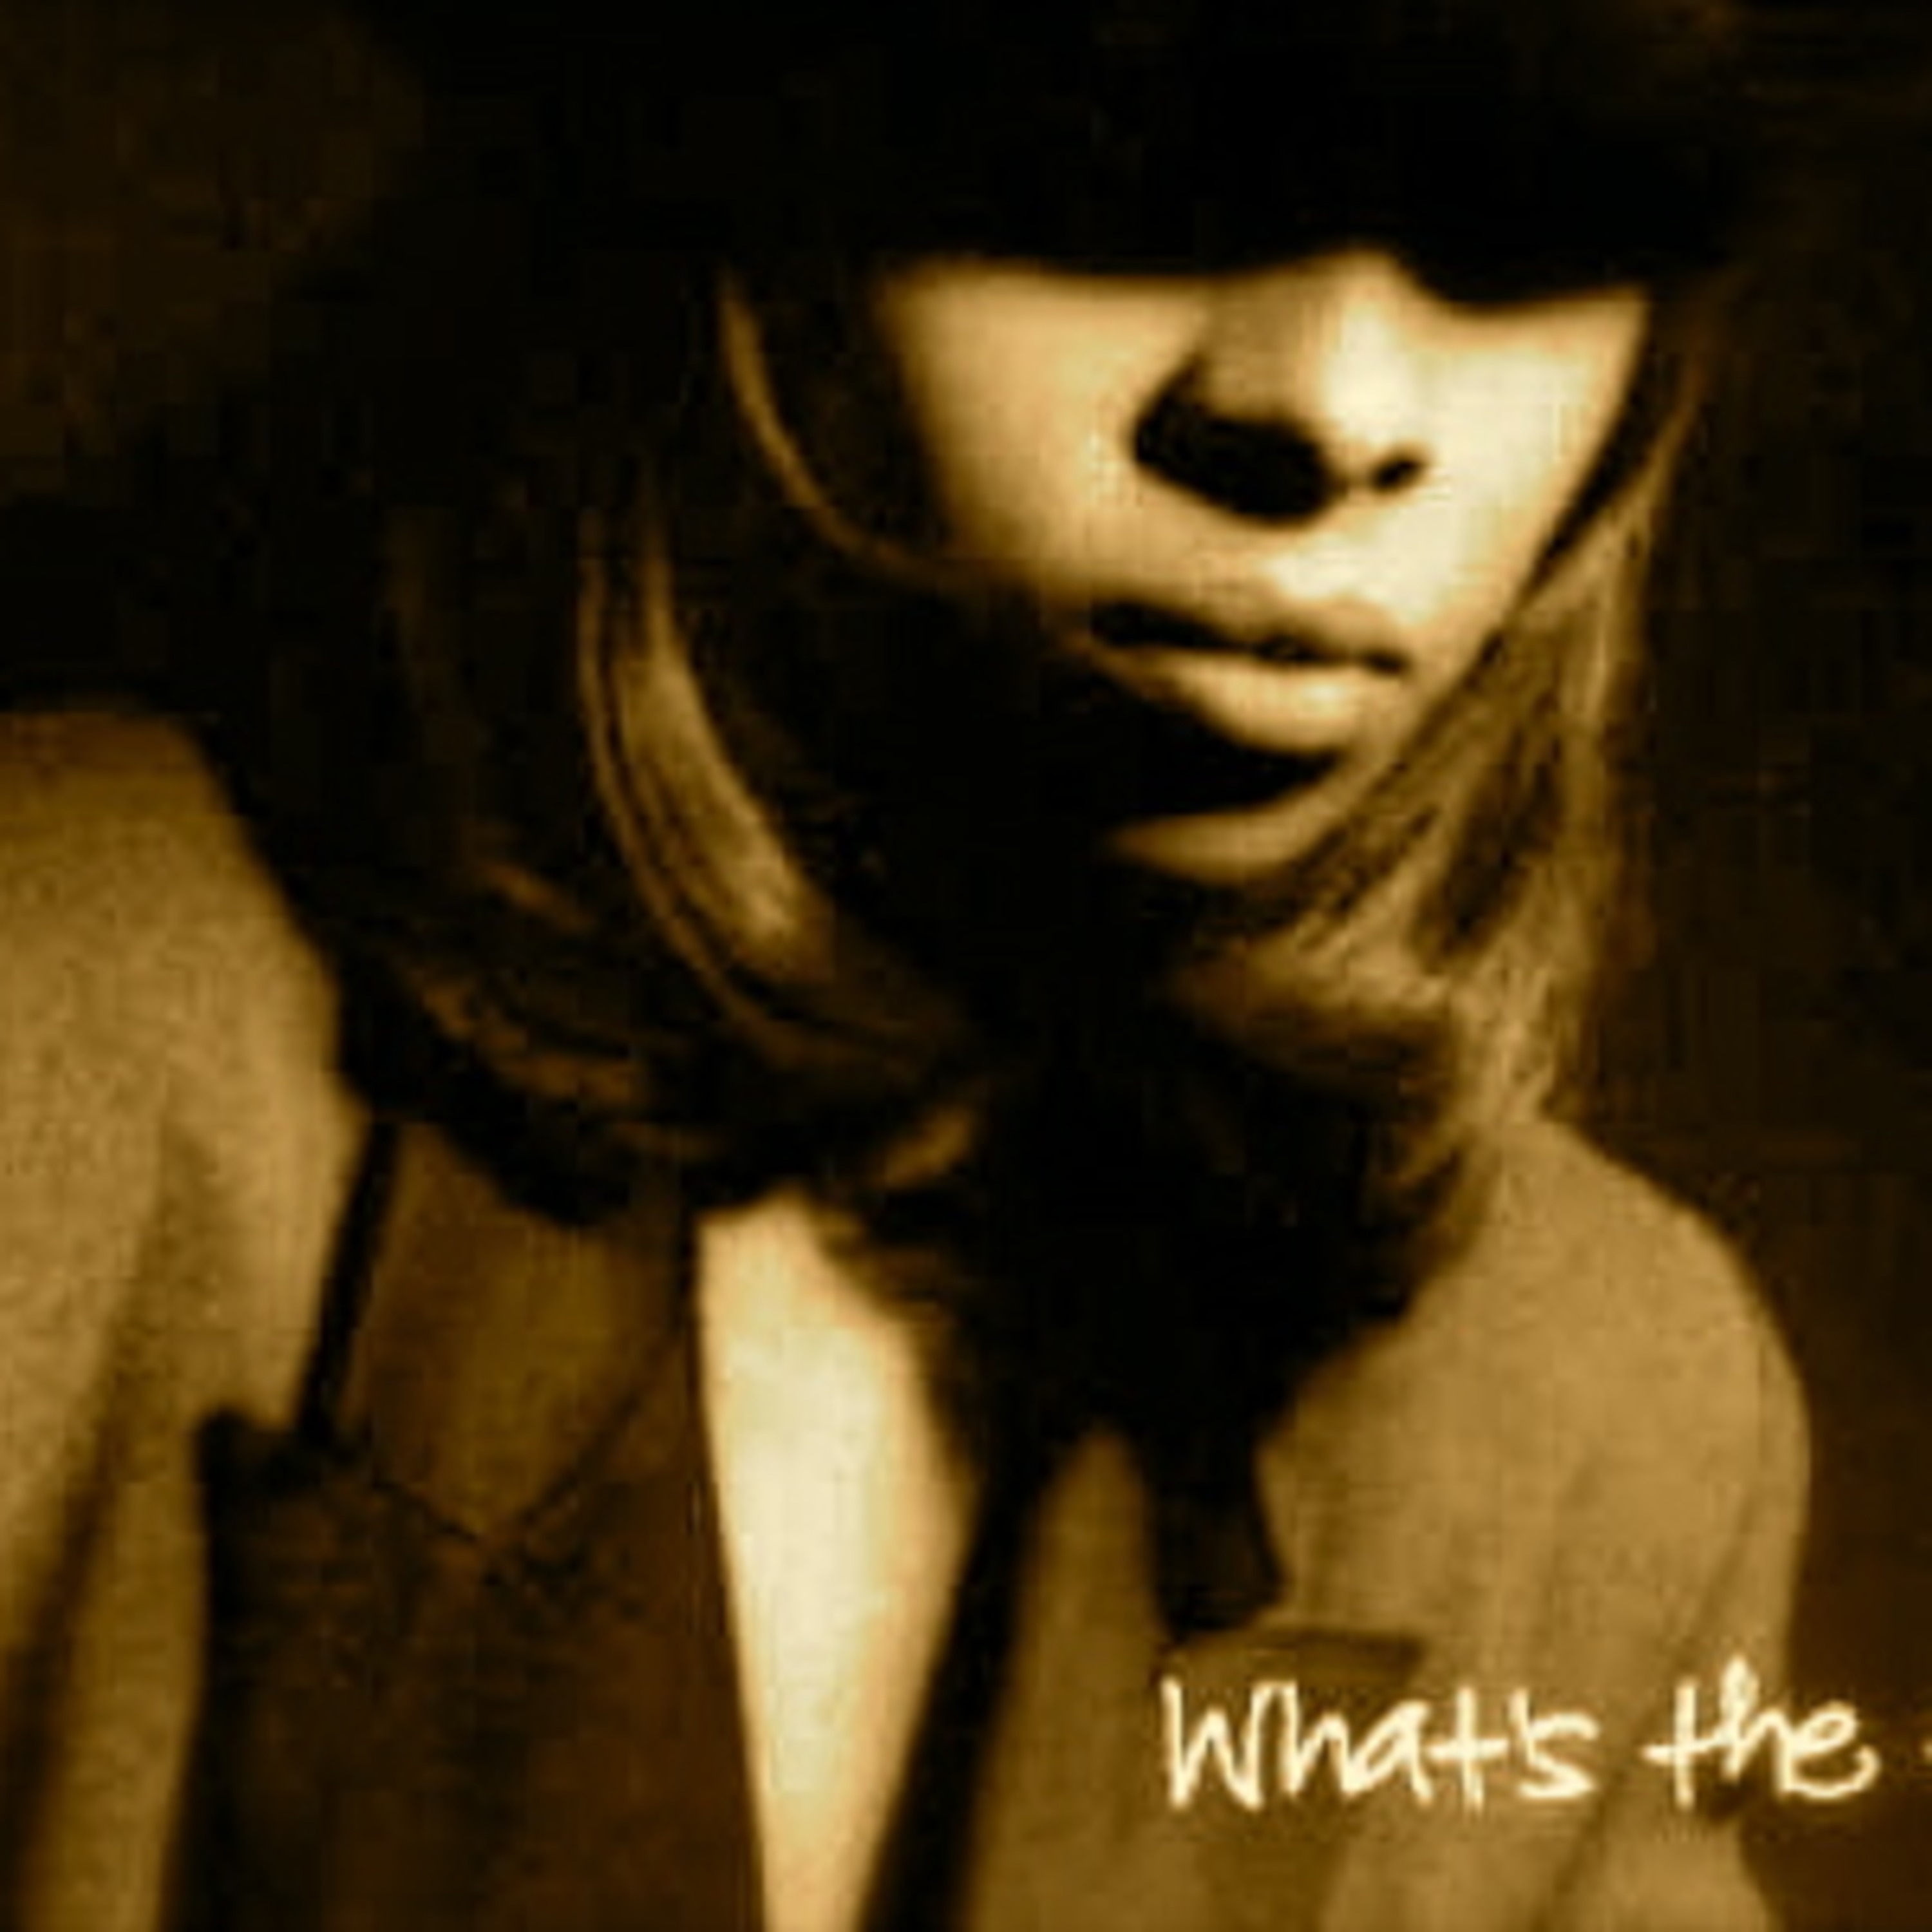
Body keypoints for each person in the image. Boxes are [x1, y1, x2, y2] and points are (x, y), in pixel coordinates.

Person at [0, 0, 1822, 1926]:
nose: (1332, 409)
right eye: (1131, 160)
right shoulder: (62, 1025)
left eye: (1521, 218)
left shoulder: (1609, 1418)